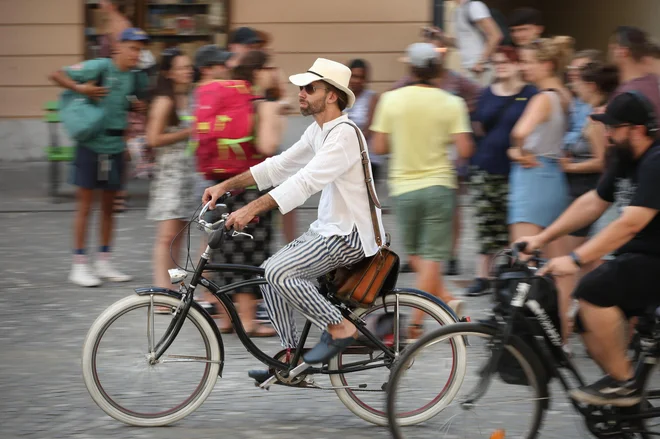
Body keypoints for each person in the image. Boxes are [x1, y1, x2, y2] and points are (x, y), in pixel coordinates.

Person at [203, 57, 381, 377]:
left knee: (279, 272)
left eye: (309, 87)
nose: (300, 92)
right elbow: (278, 167)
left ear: (331, 95)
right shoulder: (320, 130)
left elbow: (304, 183)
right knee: (269, 276)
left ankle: (339, 328)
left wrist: (249, 209)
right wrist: (225, 186)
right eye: (300, 87)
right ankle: (291, 359)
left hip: (349, 234)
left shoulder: (343, 134)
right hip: (328, 230)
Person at [517, 92, 660, 407]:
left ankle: (625, 386)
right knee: (584, 319)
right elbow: (592, 202)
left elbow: (631, 223)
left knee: (594, 289)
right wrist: (541, 240)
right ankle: (628, 404)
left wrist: (576, 258)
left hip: (654, 259)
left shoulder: (655, 161)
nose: (605, 134)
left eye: (612, 127)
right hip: (638, 256)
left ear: (636, 129)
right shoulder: (624, 158)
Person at [371, 43, 474, 329]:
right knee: (428, 259)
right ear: (438, 70)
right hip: (440, 186)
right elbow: (465, 150)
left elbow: (378, 145)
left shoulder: (390, 100)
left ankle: (416, 324)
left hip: (403, 188)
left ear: (411, 68)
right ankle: (447, 299)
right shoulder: (452, 102)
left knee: (419, 256)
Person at [49, 28, 150, 287]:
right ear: (118, 46)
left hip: (116, 146)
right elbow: (56, 74)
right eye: (132, 48)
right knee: (85, 207)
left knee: (109, 208)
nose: (137, 54)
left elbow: (121, 101)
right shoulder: (100, 66)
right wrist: (81, 88)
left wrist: (134, 105)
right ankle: (79, 265)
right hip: (91, 144)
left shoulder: (132, 76)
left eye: (140, 50)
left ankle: (104, 262)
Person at [205, 51, 283, 337]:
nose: (276, 72)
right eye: (272, 67)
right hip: (250, 190)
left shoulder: (231, 103)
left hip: (221, 185)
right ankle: (248, 321)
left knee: (222, 254)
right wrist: (275, 115)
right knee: (249, 254)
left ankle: (227, 319)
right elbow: (267, 146)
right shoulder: (261, 105)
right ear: (260, 72)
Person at [392, 33, 482, 276]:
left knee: (452, 210)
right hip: (420, 151)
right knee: (424, 211)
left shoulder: (456, 81)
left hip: (450, 153)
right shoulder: (406, 83)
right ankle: (419, 256)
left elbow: (478, 94)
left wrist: (470, 117)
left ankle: (451, 256)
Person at [508, 37, 574, 346]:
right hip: (554, 177)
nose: (523, 66)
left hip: (532, 177)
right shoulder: (563, 95)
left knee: (523, 258)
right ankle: (562, 337)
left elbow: (519, 132)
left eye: (528, 61)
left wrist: (518, 151)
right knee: (558, 264)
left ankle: (524, 338)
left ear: (546, 64)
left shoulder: (540, 98)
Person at [466, 46, 536, 297]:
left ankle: (509, 271)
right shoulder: (487, 93)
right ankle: (482, 276)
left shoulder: (531, 94)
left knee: (513, 222)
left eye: (506, 61)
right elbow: (478, 125)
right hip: (486, 165)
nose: (500, 65)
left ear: (519, 64)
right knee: (486, 223)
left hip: (518, 169)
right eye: (496, 62)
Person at [145, 48, 196, 294]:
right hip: (169, 175)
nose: (188, 71)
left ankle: (175, 287)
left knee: (179, 237)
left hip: (187, 174)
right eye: (181, 67)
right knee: (167, 236)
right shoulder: (165, 101)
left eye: (189, 66)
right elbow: (152, 138)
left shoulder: (189, 98)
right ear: (168, 73)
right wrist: (187, 132)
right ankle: (161, 289)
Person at [560, 62, 619, 272]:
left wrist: (569, 167)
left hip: (590, 190)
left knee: (578, 259)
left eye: (578, 82)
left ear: (591, 86)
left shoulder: (598, 119)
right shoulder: (598, 113)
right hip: (590, 190)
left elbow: (602, 161)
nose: (574, 87)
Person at [446, 0, 503, 85]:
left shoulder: (474, 6)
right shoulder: (457, 11)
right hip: (470, 69)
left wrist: (481, 62)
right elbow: (461, 43)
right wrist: (439, 36)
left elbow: (495, 35)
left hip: (481, 70)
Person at [609, 26, 660, 118]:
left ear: (622, 52)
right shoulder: (655, 84)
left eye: (614, 46)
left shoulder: (625, 96)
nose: (611, 49)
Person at [345, 59, 382, 180]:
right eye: (354, 76)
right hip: (344, 158)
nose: (357, 81)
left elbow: (370, 128)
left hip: (367, 160)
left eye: (361, 77)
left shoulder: (372, 98)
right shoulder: (341, 97)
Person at [564, 50, 602, 151]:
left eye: (580, 69)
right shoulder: (567, 98)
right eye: (571, 69)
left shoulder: (597, 107)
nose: (573, 73)